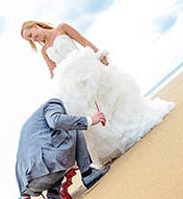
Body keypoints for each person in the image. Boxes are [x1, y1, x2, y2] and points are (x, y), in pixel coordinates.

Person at [20, 20, 174, 166]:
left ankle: (128, 130)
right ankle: (113, 143)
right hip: (73, 82)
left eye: (31, 34)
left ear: (35, 26)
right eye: (30, 39)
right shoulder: (45, 51)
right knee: (92, 110)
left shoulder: (62, 27)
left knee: (109, 98)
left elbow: (84, 42)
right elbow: (53, 72)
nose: (33, 38)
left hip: (89, 68)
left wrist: (100, 54)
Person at [15, 98, 109, 199]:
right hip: (48, 166)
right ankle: (88, 174)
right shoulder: (52, 103)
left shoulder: (30, 125)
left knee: (53, 152)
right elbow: (55, 121)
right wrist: (89, 120)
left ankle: (53, 194)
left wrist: (26, 193)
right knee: (72, 127)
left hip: (29, 184)